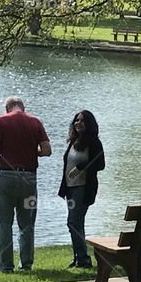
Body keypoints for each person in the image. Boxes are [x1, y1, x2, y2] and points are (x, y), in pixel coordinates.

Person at [0, 96, 52, 273]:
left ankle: (5, 266)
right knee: (27, 223)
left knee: (4, 222)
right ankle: (26, 265)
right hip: (29, 178)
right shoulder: (35, 122)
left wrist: (6, 150)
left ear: (7, 108)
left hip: (6, 177)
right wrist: (32, 151)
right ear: (22, 107)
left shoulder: (1, 121)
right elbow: (47, 150)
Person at [57, 109, 105, 268]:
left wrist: (80, 168)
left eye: (82, 120)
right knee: (77, 223)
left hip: (83, 188)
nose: (78, 123)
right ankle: (79, 257)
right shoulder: (73, 141)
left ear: (89, 124)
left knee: (73, 222)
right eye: (76, 120)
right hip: (70, 188)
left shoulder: (94, 142)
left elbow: (100, 164)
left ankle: (83, 258)